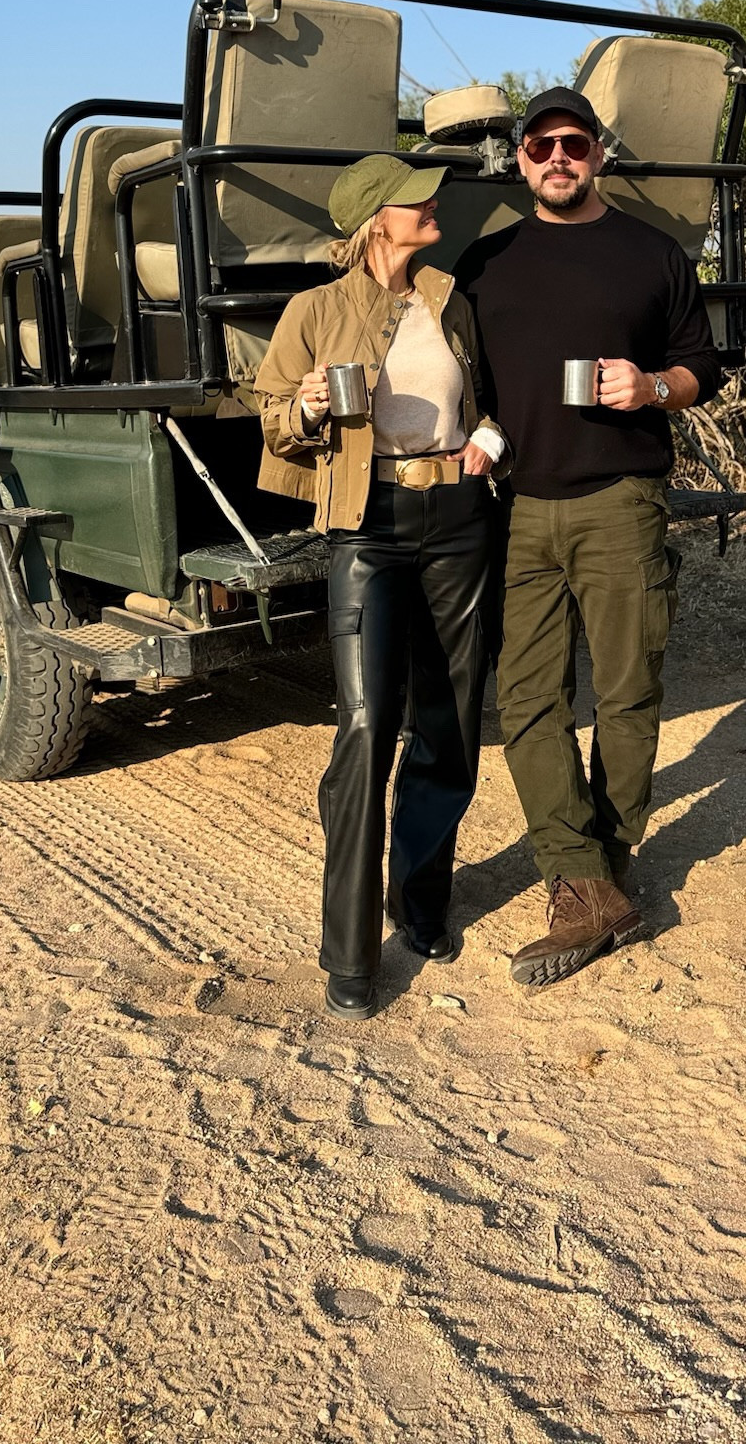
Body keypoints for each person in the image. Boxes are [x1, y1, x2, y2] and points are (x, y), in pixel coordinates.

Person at [454, 85, 723, 991]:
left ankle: (605, 868)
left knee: (626, 692)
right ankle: (579, 876)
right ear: (520, 160)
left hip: (621, 501)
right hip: (522, 508)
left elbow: (704, 365)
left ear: (599, 152)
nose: (556, 159)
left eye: (573, 144)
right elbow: (467, 377)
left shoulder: (652, 254)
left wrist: (652, 389)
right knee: (525, 699)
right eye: (540, 147)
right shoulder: (487, 262)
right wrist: (483, 430)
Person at [256, 155, 507, 1022]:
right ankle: (350, 946)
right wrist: (313, 412)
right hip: (368, 523)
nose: (432, 202)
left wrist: (489, 444)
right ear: (374, 219)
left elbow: (497, 401)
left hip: (461, 521)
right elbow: (272, 416)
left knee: (450, 718)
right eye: (416, 197)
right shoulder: (315, 311)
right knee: (365, 729)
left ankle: (424, 903)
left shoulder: (450, 298)